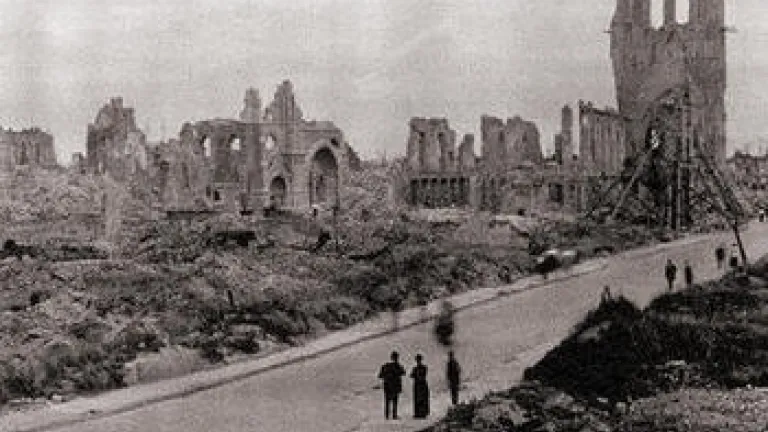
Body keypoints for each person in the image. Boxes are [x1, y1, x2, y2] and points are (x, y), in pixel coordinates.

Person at [378, 351, 406, 420]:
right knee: (395, 401)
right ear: (397, 358)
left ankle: (387, 415)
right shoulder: (398, 366)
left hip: (387, 386)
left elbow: (380, 375)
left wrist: (386, 376)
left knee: (387, 401)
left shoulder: (385, 365)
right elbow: (403, 372)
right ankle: (394, 415)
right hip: (395, 386)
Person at [410, 354, 430, 419]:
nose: (418, 361)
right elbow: (412, 375)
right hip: (418, 384)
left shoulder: (422, 368)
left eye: (418, 360)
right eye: (417, 360)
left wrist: (417, 376)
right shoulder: (417, 368)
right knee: (418, 399)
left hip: (421, 384)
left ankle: (422, 413)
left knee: (422, 399)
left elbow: (414, 375)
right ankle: (418, 413)